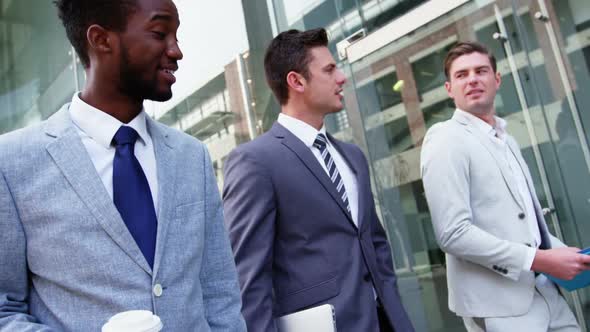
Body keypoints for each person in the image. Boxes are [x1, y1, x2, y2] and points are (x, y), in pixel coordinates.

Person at [0, 0, 245, 330]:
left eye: (177, 36)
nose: (177, 51)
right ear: (101, 40)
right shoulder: (12, 163)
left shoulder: (192, 156)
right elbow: (5, 309)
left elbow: (220, 295)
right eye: (160, 33)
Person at [222, 28, 415, 332]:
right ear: (296, 81)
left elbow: (374, 245)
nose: (341, 78)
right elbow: (249, 279)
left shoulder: (352, 156)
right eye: (329, 69)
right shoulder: (255, 162)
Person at [420, 41, 588, 332]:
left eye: (481, 71)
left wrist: (566, 255)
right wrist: (542, 260)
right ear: (449, 89)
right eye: (461, 75)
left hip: (547, 293)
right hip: (499, 308)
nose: (472, 79)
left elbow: (524, 226)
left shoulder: (507, 139)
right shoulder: (445, 138)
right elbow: (452, 233)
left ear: (497, 80)